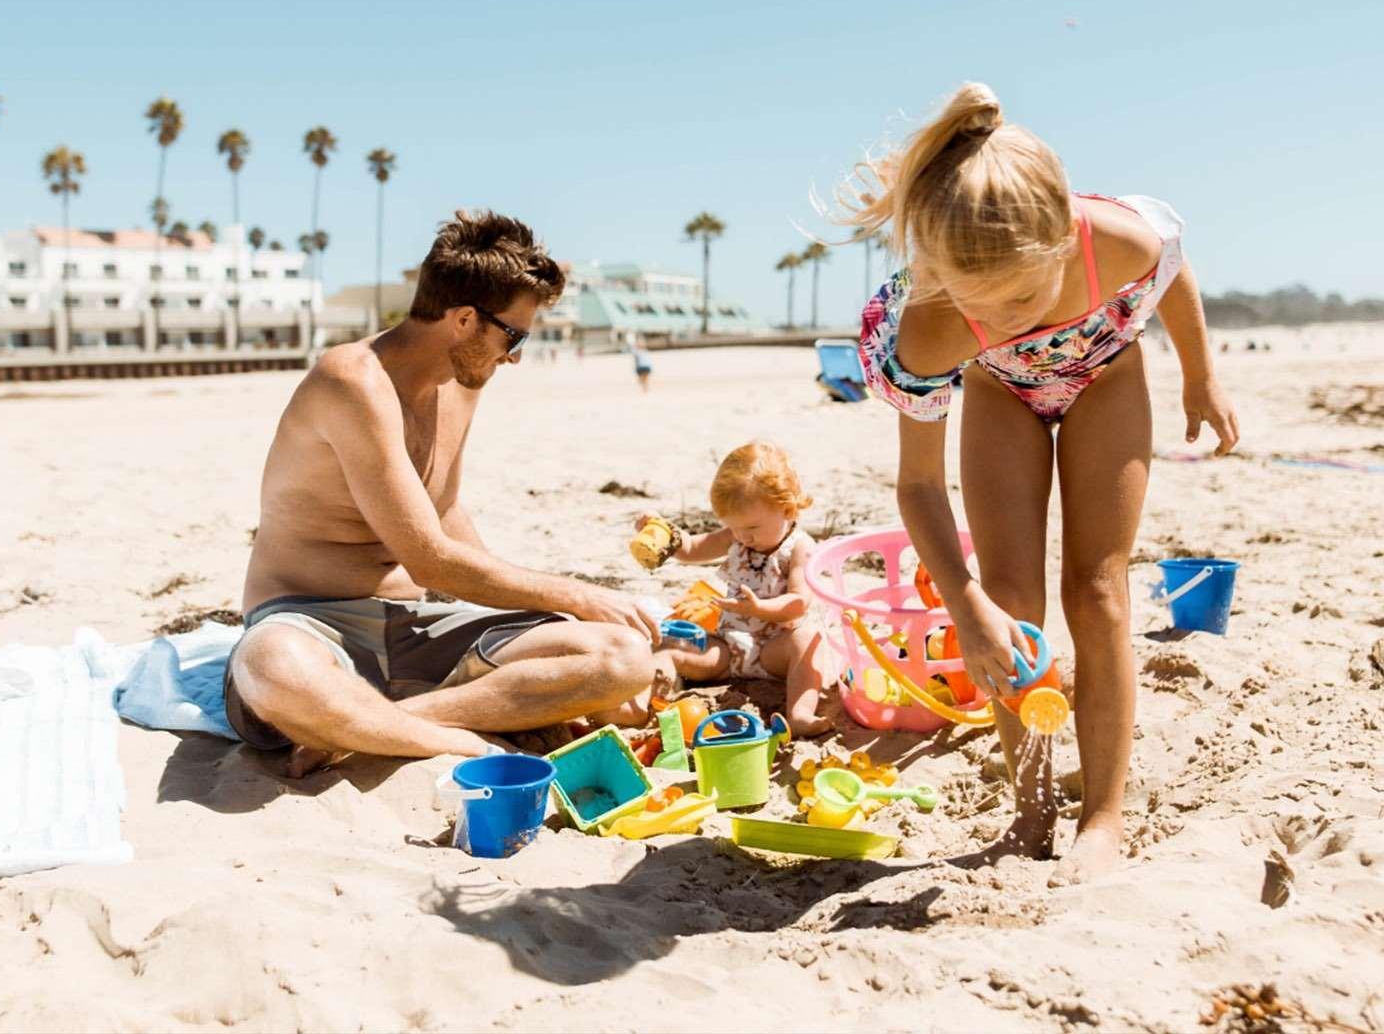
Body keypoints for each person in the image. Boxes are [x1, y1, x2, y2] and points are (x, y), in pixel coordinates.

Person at [843, 83, 1239, 884]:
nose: (1011, 319)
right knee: (1011, 602)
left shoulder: (1118, 239)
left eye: (1023, 297)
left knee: (1097, 592)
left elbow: (1176, 274)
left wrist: (1201, 377)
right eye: (982, 304)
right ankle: (1030, 804)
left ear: (1064, 238)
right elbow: (919, 484)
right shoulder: (932, 323)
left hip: (1106, 380)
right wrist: (967, 606)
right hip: (1002, 396)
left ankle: (1103, 816)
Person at [227, 210, 660, 777]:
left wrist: (548, 615)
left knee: (622, 659)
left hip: (422, 625)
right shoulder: (352, 381)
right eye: (515, 335)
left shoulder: (461, 383)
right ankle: (464, 740)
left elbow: (445, 509)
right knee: (271, 666)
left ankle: (383, 725)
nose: (516, 355)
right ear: (462, 320)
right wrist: (579, 594)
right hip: (312, 622)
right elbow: (428, 556)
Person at [633, 442, 834, 735]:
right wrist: (662, 531)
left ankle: (800, 712)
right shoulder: (736, 536)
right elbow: (691, 549)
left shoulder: (799, 548)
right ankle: (648, 704)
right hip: (730, 648)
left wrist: (758, 609)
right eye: (734, 527)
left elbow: (798, 603)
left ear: (788, 509)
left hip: (774, 649)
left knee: (808, 641)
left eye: (752, 528)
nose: (742, 537)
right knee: (673, 649)